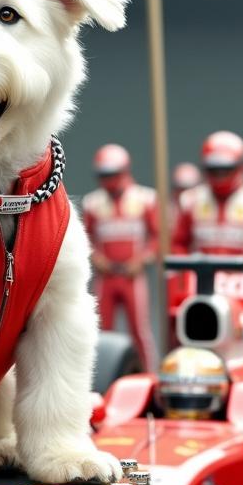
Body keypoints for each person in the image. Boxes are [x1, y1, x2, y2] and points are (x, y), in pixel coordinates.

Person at [82, 143, 159, 372]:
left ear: (125, 171)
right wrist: (96, 258)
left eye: (113, 175)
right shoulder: (93, 202)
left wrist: (143, 259)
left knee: (140, 330)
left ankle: (148, 375)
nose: (109, 180)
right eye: (104, 175)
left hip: (132, 276)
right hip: (106, 276)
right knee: (103, 329)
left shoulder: (145, 198)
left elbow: (157, 237)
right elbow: (85, 237)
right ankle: (104, 375)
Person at [172, 131, 243, 272]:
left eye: (225, 170)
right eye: (214, 170)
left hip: (241, 285)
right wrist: (189, 267)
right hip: (202, 284)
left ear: (241, 166)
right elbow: (178, 243)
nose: (220, 176)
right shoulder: (190, 201)